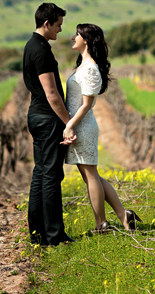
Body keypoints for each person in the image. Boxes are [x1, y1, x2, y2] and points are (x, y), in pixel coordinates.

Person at [61, 23, 142, 234]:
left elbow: (86, 105)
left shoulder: (90, 68)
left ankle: (101, 224)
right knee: (91, 175)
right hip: (79, 126)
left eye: (77, 34)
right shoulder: (84, 65)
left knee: (90, 176)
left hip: (82, 127)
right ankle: (124, 215)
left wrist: (70, 125)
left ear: (87, 40)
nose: (73, 38)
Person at [23, 2, 76, 247]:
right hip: (48, 119)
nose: (60, 30)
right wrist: (68, 123)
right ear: (46, 23)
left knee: (41, 173)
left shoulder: (31, 45)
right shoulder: (41, 50)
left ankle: (37, 233)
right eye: (58, 25)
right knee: (52, 175)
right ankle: (55, 236)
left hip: (37, 116)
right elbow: (52, 93)